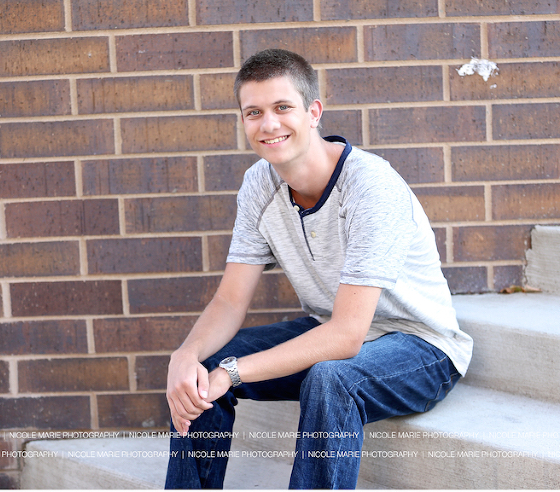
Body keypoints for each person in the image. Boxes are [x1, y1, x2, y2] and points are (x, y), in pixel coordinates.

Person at [164, 48, 473, 489]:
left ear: (313, 112)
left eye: (282, 107)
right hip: (328, 327)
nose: (268, 124)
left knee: (330, 379)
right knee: (201, 365)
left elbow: (347, 336)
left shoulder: (369, 185)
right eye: (254, 112)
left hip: (421, 347)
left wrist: (231, 373)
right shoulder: (259, 184)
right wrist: (186, 355)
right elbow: (229, 301)